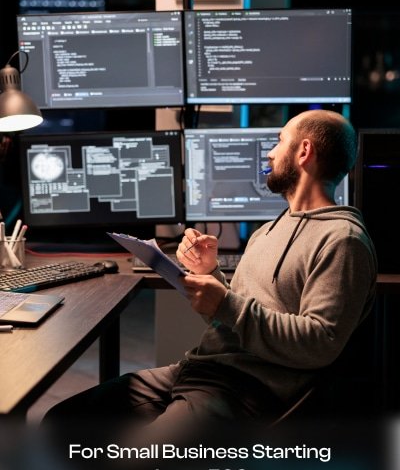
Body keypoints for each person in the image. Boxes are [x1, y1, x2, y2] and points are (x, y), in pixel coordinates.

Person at [43, 109, 377, 440]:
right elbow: (234, 320)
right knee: (62, 422)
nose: (271, 153)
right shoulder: (267, 232)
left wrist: (225, 303)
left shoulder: (342, 240)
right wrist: (210, 273)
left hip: (246, 388)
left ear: (303, 152)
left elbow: (320, 343)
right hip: (196, 369)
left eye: (279, 142)